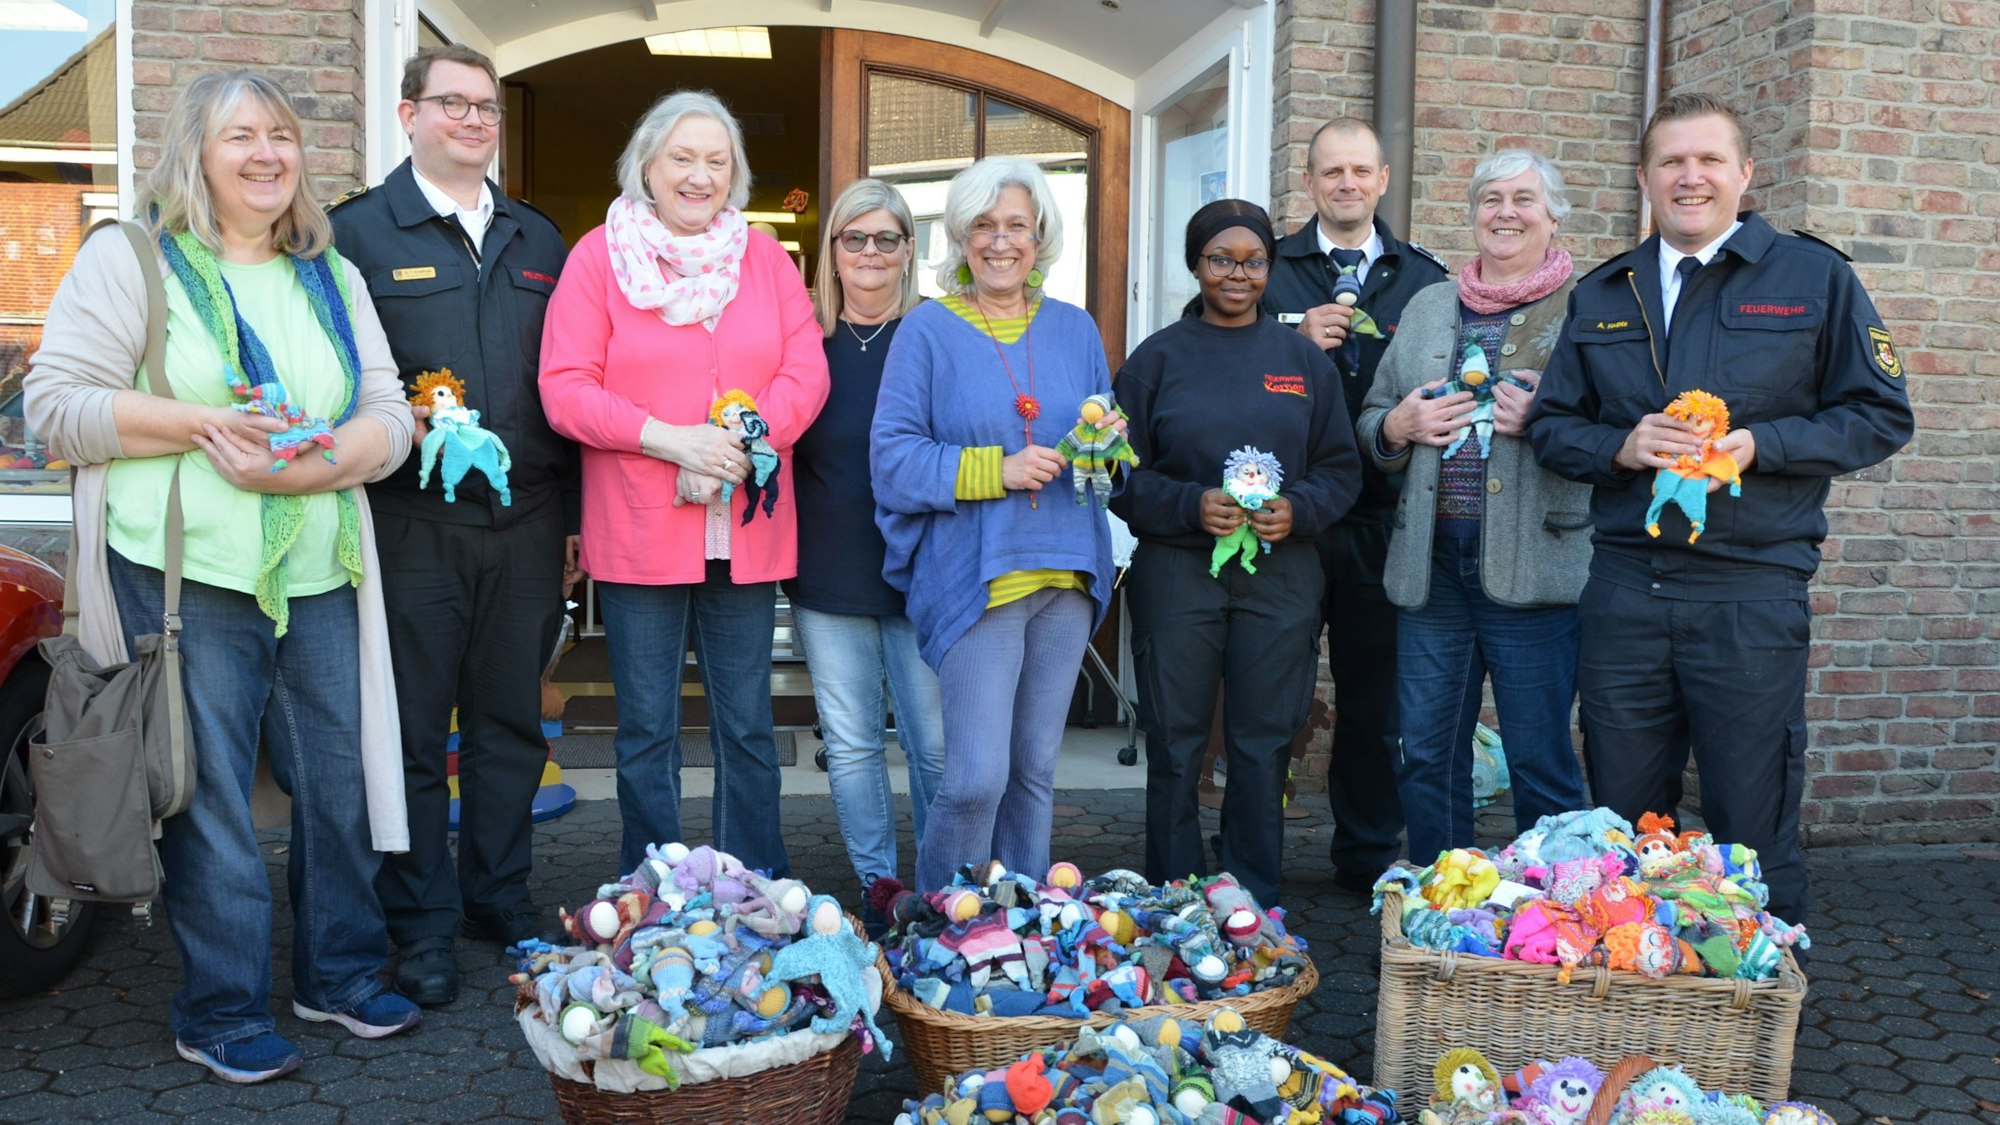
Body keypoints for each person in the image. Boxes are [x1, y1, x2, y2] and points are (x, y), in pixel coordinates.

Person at [25, 71, 420, 1083]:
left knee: (337, 784)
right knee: (208, 802)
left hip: (320, 566)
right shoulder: (133, 260)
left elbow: (389, 412)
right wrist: (206, 428)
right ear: (193, 154)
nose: (265, 153)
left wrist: (324, 460)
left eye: (280, 135)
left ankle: (334, 974)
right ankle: (221, 1008)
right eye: (239, 135)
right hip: (184, 577)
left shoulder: (327, 272)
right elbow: (56, 410)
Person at [1528, 93, 1913, 926]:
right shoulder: (1604, 292)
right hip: (1627, 591)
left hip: (1750, 592)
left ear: (1745, 172)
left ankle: (1763, 1020)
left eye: (1709, 160)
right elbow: (1554, 426)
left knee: (1752, 819)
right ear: (1644, 178)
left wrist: (1760, 447)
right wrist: (1619, 447)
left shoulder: (1816, 278)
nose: (1690, 177)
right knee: (1624, 826)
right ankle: (1635, 1005)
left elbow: (1881, 414)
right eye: (1671, 161)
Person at [327, 45, 576, 1005]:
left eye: (486, 108)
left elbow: (567, 387)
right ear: (408, 115)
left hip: (527, 522)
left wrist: (577, 520)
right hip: (409, 525)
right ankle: (420, 922)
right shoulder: (355, 234)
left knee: (513, 724)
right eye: (453, 105)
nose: (474, 121)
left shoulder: (539, 238)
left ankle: (496, 897)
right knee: (417, 733)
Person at [539, 91, 829, 877]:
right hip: (639, 532)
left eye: (717, 160)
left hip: (746, 526)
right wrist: (672, 440)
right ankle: (655, 888)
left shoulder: (765, 258)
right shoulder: (598, 258)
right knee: (647, 730)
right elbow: (565, 387)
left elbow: (806, 370)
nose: (700, 176)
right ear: (647, 165)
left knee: (747, 728)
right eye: (682, 157)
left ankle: (754, 885)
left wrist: (748, 434)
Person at [872, 156, 1116, 894]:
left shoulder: (1076, 330)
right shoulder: (927, 331)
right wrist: (996, 469)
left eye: (1017, 224)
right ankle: (936, 931)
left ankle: (1017, 932)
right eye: (984, 225)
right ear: (960, 237)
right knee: (977, 777)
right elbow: (892, 459)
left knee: (1035, 771)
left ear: (1040, 236)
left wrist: (1107, 450)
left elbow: (1107, 448)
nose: (1001, 240)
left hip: (1067, 571)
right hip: (980, 575)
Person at [1111, 200, 1361, 906]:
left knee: (1262, 740)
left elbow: (1341, 469)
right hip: (1177, 572)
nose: (1238, 274)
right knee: (1176, 740)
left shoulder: (1301, 361)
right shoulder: (1155, 360)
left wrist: (1298, 509)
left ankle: (1251, 894)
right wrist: (1189, 505)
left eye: (1253, 261)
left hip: (1282, 575)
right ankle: (1173, 894)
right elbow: (1117, 474)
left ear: (1270, 270)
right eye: (1222, 258)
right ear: (1196, 263)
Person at [1358, 149, 1593, 867]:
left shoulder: (1588, 309)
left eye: (1525, 198)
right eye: (1491, 198)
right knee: (1426, 754)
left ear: (1553, 216)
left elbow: (1616, 425)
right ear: (1473, 214)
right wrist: (1395, 429)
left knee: (1540, 761)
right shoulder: (1430, 304)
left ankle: (1553, 932)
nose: (1506, 213)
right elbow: (1373, 414)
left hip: (1536, 568)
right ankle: (1442, 921)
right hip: (1432, 572)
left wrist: (1547, 421)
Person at [1262, 118, 1449, 891]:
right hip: (1289, 518)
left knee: (1376, 700)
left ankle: (1366, 856)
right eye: (1330, 171)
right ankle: (1252, 853)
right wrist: (1289, 340)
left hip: (1384, 516)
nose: (1346, 183)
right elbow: (1213, 367)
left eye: (1360, 171)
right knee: (1270, 694)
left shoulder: (1427, 279)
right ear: (1308, 184)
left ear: (1383, 180)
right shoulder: (1264, 271)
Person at [786, 178, 946, 926]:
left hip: (924, 574)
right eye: (856, 237)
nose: (871, 252)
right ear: (834, 252)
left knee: (936, 747)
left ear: (909, 250)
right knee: (850, 747)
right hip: (828, 572)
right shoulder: (803, 348)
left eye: (888, 237)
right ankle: (879, 890)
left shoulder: (939, 339)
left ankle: (948, 887)